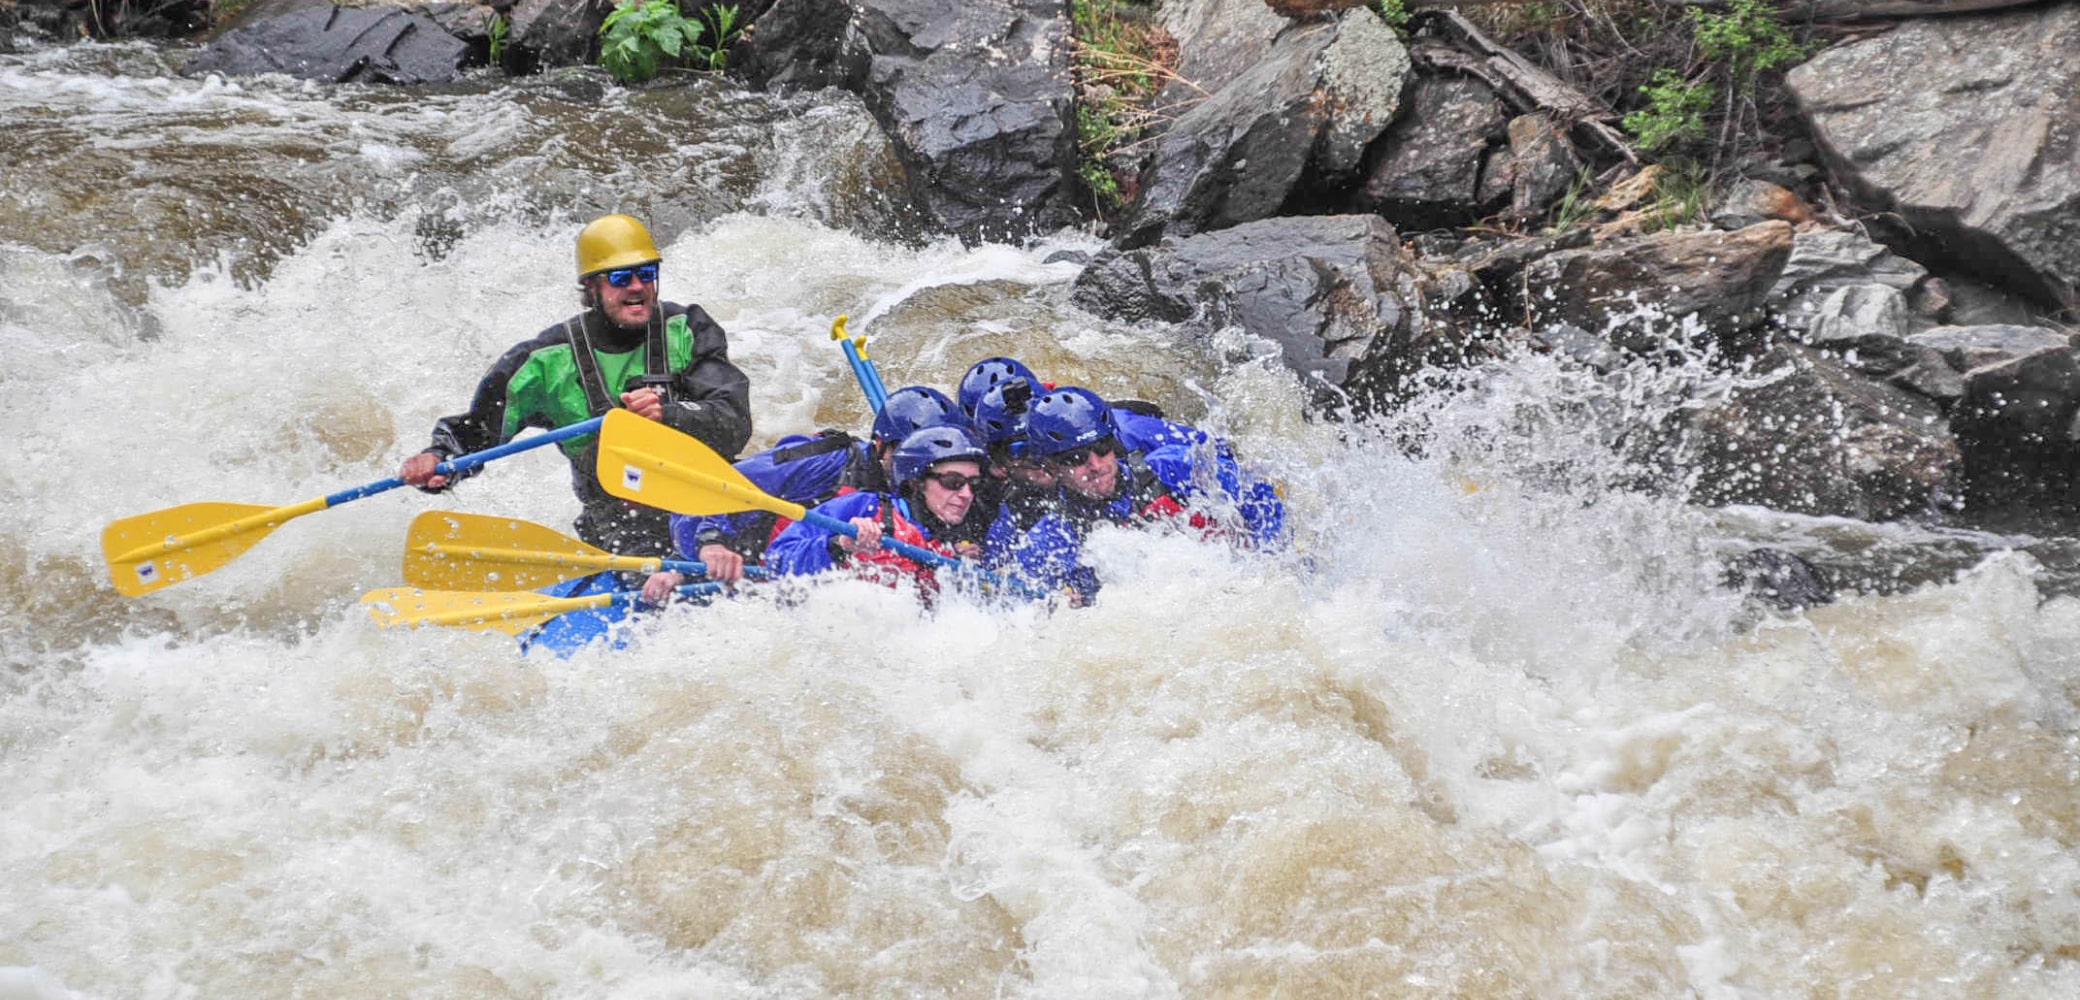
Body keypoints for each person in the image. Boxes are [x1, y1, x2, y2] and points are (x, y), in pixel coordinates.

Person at [400, 214, 752, 557]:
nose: (637, 287)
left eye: (646, 273)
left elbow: (734, 420)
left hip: (708, 493)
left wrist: (669, 414)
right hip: (621, 521)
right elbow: (476, 432)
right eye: (619, 277)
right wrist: (440, 459)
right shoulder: (542, 362)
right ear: (591, 287)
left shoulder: (687, 327)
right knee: (655, 578)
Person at [638, 385, 970, 601]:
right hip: (741, 566)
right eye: (910, 453)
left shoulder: (931, 497)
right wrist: (710, 544)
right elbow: (717, 485)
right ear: (881, 444)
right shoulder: (826, 459)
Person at [1004, 386, 1285, 602]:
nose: (1095, 465)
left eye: (1103, 448)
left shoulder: (1176, 467)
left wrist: (1269, 564)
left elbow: (1259, 498)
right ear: (1050, 466)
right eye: (1075, 458)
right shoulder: (1049, 542)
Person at [764, 424, 998, 596]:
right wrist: (840, 545)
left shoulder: (957, 538)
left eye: (974, 484)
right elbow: (775, 562)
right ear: (916, 482)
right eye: (953, 482)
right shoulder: (863, 506)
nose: (967, 494)